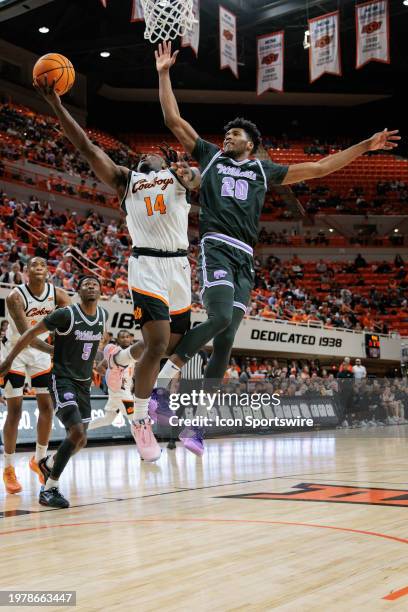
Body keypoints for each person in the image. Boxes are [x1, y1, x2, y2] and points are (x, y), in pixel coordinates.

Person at [154, 40, 401, 454]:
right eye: (227, 134)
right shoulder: (210, 157)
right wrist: (163, 73)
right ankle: (162, 386)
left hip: (245, 258)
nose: (226, 137)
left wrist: (364, 147)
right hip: (216, 245)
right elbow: (173, 119)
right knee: (216, 319)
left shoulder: (264, 171)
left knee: (228, 339)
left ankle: (194, 425)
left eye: (234, 134)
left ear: (249, 142)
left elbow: (321, 168)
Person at [33, 78, 200, 463]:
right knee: (157, 344)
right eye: (144, 158)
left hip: (179, 265)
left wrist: (190, 175)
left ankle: (119, 360)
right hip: (147, 265)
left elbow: (201, 181)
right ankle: (140, 420)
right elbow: (86, 146)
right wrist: (57, 103)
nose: (150, 159)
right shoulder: (127, 181)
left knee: (172, 347)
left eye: (155, 157)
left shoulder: (178, 177)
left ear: (164, 159)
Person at [0, 276, 108, 508]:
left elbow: (91, 347)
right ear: (77, 292)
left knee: (80, 442)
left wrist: (98, 361)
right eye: (85, 283)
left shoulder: (102, 316)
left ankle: (47, 463)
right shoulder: (66, 314)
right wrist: (9, 360)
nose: (90, 286)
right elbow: (29, 334)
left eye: (94, 284)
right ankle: (49, 489)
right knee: (77, 431)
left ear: (101, 291)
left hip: (84, 384)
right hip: (63, 380)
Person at [2, 257, 70, 494]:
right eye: (34, 265)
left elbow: (71, 325)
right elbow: (26, 334)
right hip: (15, 350)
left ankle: (39, 460)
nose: (39, 267)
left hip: (40, 355)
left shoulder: (59, 295)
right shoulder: (15, 296)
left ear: (48, 272)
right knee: (15, 410)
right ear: (26, 272)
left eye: (43, 265)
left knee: (47, 407)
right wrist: (56, 350)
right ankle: (8, 467)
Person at [88, 331, 137, 432]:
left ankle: (81, 429)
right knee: (136, 418)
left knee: (107, 419)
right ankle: (143, 446)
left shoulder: (132, 352)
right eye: (122, 337)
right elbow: (99, 367)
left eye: (127, 337)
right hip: (119, 391)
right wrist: (112, 377)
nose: (125, 339)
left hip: (125, 390)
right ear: (118, 340)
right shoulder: (115, 353)